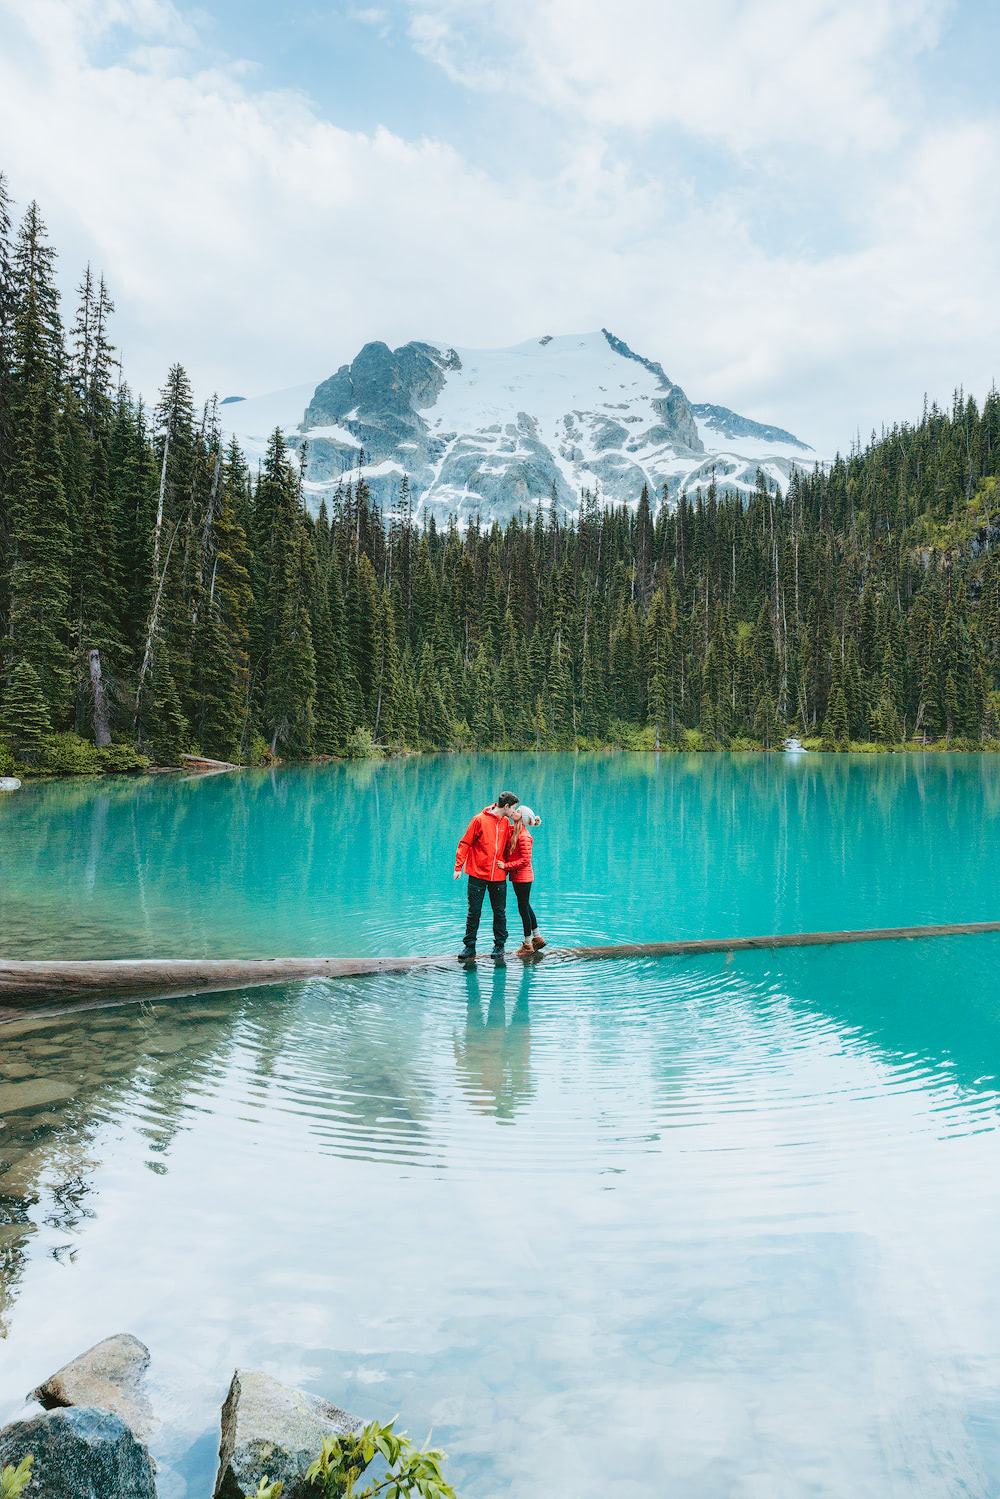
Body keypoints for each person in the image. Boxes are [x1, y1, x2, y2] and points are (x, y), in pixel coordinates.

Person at [454, 792, 519, 961]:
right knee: (473, 912)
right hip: (477, 874)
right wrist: (458, 867)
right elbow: (465, 843)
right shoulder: (478, 820)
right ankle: (469, 947)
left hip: (498, 876)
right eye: (513, 808)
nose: (514, 811)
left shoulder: (505, 822)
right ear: (506, 806)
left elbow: (512, 844)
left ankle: (499, 946)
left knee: (499, 912)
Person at [499, 805, 546, 958]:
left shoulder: (524, 836)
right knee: (525, 906)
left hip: (523, 877)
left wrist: (506, 866)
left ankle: (528, 945)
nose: (515, 812)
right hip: (519, 876)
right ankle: (537, 938)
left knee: (523, 908)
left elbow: (525, 860)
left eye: (518, 811)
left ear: (523, 818)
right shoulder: (515, 831)